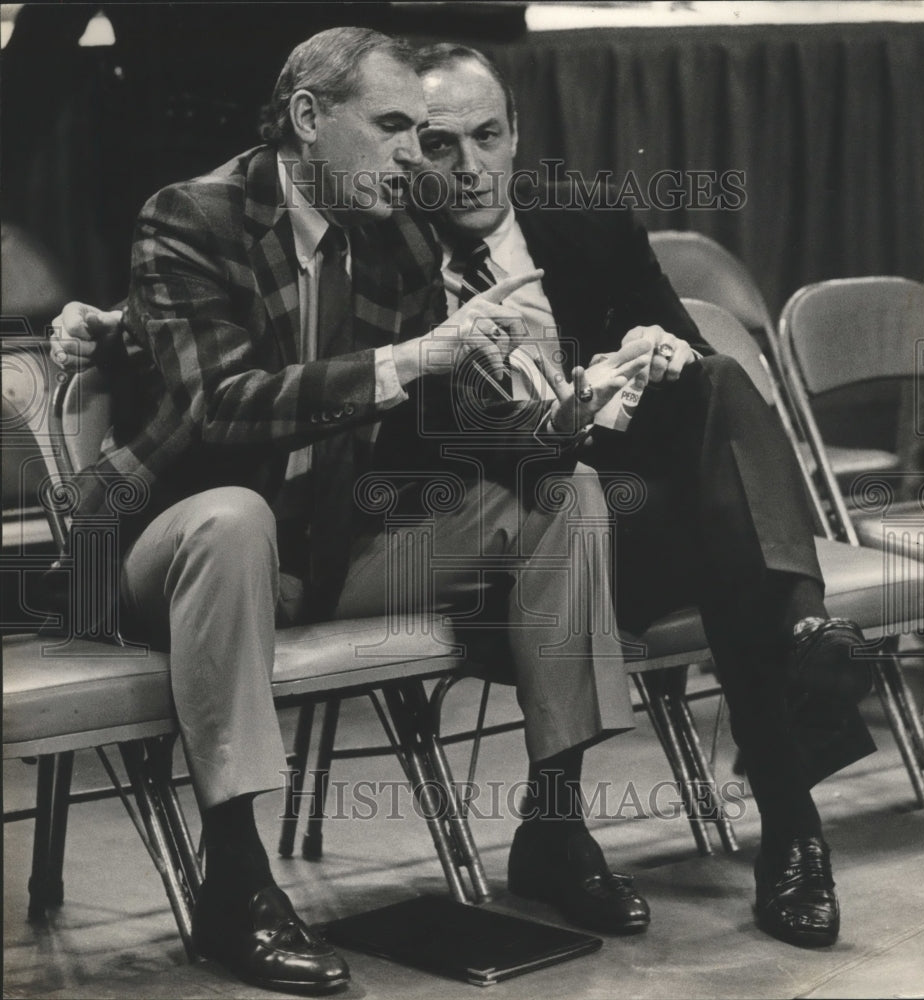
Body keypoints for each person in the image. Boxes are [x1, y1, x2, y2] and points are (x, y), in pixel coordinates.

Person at [45, 26, 654, 992]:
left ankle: (554, 821)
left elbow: (455, 410)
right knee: (235, 515)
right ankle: (236, 883)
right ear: (307, 119)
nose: (415, 155)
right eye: (393, 127)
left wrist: (566, 413)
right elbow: (219, 406)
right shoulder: (188, 218)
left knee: (564, 496)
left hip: (327, 545)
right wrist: (409, 359)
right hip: (163, 548)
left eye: (423, 130)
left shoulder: (397, 229)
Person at [395, 43, 876, 950]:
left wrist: (654, 351)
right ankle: (791, 813)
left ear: (515, 136)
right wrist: (565, 414)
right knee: (737, 558)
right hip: (496, 541)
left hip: (629, 520)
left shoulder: (585, 226)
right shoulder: (385, 260)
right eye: (437, 144)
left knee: (715, 383)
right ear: (406, 154)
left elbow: (691, 379)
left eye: (485, 137)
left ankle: (574, 831)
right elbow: (422, 443)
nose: (466, 168)